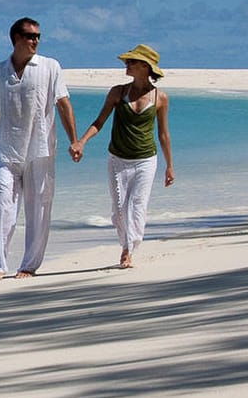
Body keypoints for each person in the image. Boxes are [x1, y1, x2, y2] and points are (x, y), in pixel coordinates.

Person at [0, 17, 78, 282]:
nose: (36, 41)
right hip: (6, 151)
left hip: (40, 149)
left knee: (39, 207)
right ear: (16, 38)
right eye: (31, 36)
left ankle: (29, 265)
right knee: (1, 201)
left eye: (38, 36)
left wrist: (74, 140)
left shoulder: (50, 67)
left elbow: (63, 104)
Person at [68, 44, 174, 269]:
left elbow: (163, 134)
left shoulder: (160, 98)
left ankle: (128, 250)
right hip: (118, 159)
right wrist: (81, 142)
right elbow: (99, 122)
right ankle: (126, 242)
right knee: (118, 210)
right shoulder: (117, 92)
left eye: (131, 62)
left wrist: (169, 166)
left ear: (145, 67)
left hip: (146, 159)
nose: (126, 65)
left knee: (137, 205)